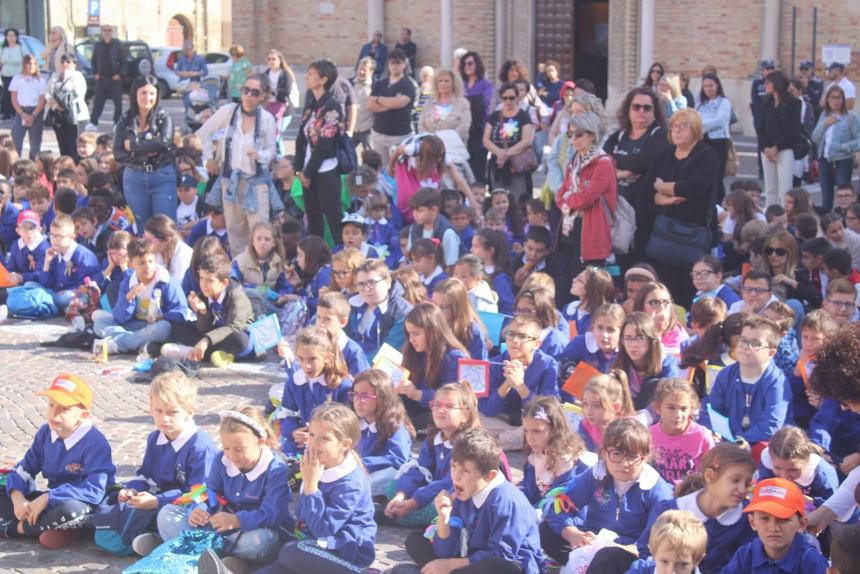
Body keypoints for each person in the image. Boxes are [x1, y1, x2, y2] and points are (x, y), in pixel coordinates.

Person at [92, 373, 218, 557]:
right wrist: (132, 490)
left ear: (189, 412)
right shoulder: (155, 438)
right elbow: (146, 475)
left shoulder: (200, 446)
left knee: (167, 516)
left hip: (191, 509)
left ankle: (168, 543)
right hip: (159, 500)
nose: (164, 419)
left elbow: (200, 493)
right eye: (158, 411)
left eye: (172, 412)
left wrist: (157, 501)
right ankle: (155, 539)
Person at [393, 429, 545, 574]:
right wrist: (443, 519)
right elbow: (445, 553)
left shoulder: (506, 501)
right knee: (415, 542)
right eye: (453, 467)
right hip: (470, 558)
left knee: (494, 566)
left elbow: (501, 555)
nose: (456, 477)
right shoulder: (463, 492)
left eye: (466, 471)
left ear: (490, 476)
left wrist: (450, 565)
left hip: (508, 565)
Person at [159, 406, 293, 570]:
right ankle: (226, 561)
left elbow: (273, 513)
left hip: (252, 531)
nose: (231, 455)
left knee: (262, 542)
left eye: (239, 449)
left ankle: (196, 553)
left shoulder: (275, 470)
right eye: (226, 448)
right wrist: (198, 509)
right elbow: (209, 492)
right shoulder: (222, 460)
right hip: (220, 528)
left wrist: (238, 521)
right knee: (167, 513)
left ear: (260, 442)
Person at [249, 404, 377, 574]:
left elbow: (324, 531)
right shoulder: (317, 466)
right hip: (311, 544)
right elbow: (303, 518)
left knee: (291, 552)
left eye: (324, 438)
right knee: (276, 565)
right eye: (312, 435)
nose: (314, 443)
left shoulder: (350, 484)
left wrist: (311, 488)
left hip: (343, 550)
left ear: (345, 444)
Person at [541, 418, 674, 570]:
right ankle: (581, 565)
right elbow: (560, 506)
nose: (624, 464)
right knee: (547, 530)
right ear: (604, 453)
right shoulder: (596, 475)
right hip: (594, 540)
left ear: (644, 457)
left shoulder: (656, 490)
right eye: (616, 453)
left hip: (629, 552)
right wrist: (574, 535)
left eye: (632, 457)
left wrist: (627, 547)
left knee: (607, 558)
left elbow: (655, 541)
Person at [0, 373, 115, 548]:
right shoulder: (46, 433)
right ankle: (52, 527)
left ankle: (17, 529)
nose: (54, 413)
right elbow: (25, 467)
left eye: (64, 408)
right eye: (51, 405)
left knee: (68, 511)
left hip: (82, 504)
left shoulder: (95, 442)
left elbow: (94, 490)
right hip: (51, 502)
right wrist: (18, 498)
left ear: (83, 415)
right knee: (5, 488)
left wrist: (48, 497)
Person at [643, 108, 720, 307]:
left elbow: (694, 188)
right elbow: (645, 189)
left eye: (683, 126)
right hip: (666, 234)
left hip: (694, 233)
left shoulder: (706, 155)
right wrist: (664, 199)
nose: (677, 131)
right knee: (666, 287)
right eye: (674, 126)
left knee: (690, 288)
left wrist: (662, 186)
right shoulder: (664, 156)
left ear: (695, 129)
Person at [642, 443, 756, 574]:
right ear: (709, 476)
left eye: (747, 483)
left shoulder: (747, 518)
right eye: (735, 480)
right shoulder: (668, 511)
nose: (742, 489)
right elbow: (647, 551)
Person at [198, 73, 277, 257]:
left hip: (256, 184)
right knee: (235, 233)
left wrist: (260, 155)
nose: (249, 95)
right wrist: (209, 158)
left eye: (254, 92)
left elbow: (272, 148)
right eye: (245, 90)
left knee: (260, 233)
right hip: (231, 183)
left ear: (262, 96)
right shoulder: (229, 111)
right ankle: (240, 277)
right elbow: (204, 132)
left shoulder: (266, 119)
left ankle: (261, 276)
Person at [384, 382, 479, 527]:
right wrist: (400, 496)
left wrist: (414, 502)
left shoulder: (468, 444)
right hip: (433, 490)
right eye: (437, 405)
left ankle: (404, 517)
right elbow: (421, 468)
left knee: (441, 505)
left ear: (465, 414)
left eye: (449, 406)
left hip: (459, 493)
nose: (441, 410)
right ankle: (401, 510)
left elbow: (451, 482)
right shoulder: (434, 437)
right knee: (393, 486)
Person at [704, 316, 788, 458]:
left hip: (762, 450)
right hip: (728, 444)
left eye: (754, 343)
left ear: (771, 353)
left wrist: (738, 440)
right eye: (743, 340)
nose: (744, 347)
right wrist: (718, 435)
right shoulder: (726, 374)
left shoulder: (777, 382)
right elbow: (712, 409)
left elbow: (771, 426)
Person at [603, 87, 670, 265]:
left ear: (655, 112)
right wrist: (623, 173)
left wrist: (617, 165)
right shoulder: (619, 136)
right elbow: (602, 163)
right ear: (628, 110)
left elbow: (644, 162)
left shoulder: (660, 135)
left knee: (644, 268)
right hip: (618, 214)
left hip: (645, 216)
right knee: (624, 267)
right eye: (636, 107)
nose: (641, 111)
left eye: (647, 108)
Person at [91, 238, 187, 355]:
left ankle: (119, 344)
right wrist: (128, 298)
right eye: (142, 263)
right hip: (135, 326)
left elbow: (181, 313)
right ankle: (134, 343)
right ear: (131, 264)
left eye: (151, 261)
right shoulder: (128, 283)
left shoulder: (166, 282)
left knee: (164, 328)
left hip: (154, 327)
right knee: (100, 323)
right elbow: (119, 318)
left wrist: (162, 317)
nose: (147, 266)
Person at [555, 111, 616, 285]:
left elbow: (587, 199)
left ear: (593, 135)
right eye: (570, 134)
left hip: (592, 231)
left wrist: (569, 198)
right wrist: (570, 198)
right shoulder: (573, 161)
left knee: (586, 288)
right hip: (570, 227)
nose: (573, 138)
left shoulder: (604, 163)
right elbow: (560, 194)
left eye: (579, 134)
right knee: (567, 283)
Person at [166, 252, 259, 366]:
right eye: (201, 278)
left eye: (210, 280)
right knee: (179, 327)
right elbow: (204, 330)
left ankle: (198, 352)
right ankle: (215, 354)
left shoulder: (237, 296)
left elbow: (232, 327)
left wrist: (206, 341)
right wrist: (203, 312)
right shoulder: (204, 294)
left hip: (235, 335)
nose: (204, 284)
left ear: (224, 282)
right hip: (215, 336)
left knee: (240, 340)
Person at [721, 478, 828, 574]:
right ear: (752, 522)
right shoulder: (745, 555)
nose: (773, 527)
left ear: (801, 524)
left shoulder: (810, 560)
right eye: (765, 518)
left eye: (784, 519)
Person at [275, 326, 352, 455]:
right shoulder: (295, 381)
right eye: (301, 359)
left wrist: (315, 437)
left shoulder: (341, 385)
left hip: (330, 445)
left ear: (327, 357)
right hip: (301, 442)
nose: (306, 365)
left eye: (312, 359)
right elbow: (286, 414)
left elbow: (346, 425)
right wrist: (294, 431)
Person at [113, 75, 176, 229]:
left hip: (161, 175)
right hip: (134, 177)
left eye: (152, 93)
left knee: (165, 228)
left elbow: (164, 143)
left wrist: (134, 147)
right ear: (135, 93)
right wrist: (148, 148)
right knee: (143, 228)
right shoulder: (126, 119)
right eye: (143, 93)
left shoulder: (164, 117)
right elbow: (118, 152)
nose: (148, 97)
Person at [294, 59, 346, 243]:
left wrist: (308, 172)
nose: (306, 77)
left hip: (325, 170)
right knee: (313, 219)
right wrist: (299, 170)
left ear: (323, 79)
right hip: (308, 171)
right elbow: (301, 139)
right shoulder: (311, 105)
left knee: (333, 217)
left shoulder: (332, 106)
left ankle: (344, 257)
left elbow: (325, 143)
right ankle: (314, 260)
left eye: (311, 74)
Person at [519, 396, 594, 505]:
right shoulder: (536, 453)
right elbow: (530, 488)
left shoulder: (565, 460)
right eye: (526, 431)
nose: (530, 438)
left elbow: (557, 500)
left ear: (554, 429)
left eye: (537, 431)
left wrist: (530, 512)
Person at [351, 368, 414, 495]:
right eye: (355, 394)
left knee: (390, 474)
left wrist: (362, 463)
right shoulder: (354, 423)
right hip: (360, 473)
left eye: (364, 396)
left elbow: (398, 458)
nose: (358, 400)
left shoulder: (395, 426)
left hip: (383, 476)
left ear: (382, 398)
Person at [648, 378, 714, 485]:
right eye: (671, 408)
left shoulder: (702, 435)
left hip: (691, 493)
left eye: (683, 409)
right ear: (658, 408)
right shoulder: (649, 435)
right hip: (659, 494)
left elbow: (712, 470)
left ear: (691, 409)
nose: (678, 415)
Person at [347, 258, 413, 361]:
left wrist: (357, 365)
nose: (366, 289)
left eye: (371, 282)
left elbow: (389, 352)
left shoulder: (402, 312)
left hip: (377, 370)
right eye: (361, 284)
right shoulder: (350, 304)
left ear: (388, 282)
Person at [759, 426, 839, 507]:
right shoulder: (769, 461)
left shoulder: (823, 475)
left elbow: (833, 509)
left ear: (807, 461)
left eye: (793, 470)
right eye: (777, 468)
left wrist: (809, 501)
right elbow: (761, 490)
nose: (784, 476)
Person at [755, 70, 803, 207]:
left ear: (777, 84)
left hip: (784, 148)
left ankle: (785, 218)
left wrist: (777, 147)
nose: (765, 85)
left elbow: (794, 129)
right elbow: (759, 126)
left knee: (785, 188)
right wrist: (766, 148)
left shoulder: (793, 103)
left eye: (768, 82)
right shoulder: (764, 101)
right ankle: (771, 219)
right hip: (766, 150)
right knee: (770, 188)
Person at [483, 82, 535, 203]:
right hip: (498, 164)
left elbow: (526, 140)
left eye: (511, 98)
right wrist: (499, 153)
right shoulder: (494, 116)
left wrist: (506, 154)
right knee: (498, 198)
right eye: (505, 98)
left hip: (517, 163)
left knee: (517, 198)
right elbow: (486, 139)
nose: (508, 101)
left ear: (517, 97)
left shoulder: (523, 115)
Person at [811, 85, 860, 211]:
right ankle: (826, 222)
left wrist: (843, 147)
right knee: (826, 196)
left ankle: (846, 221)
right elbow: (814, 138)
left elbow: (858, 139)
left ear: (843, 100)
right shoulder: (824, 115)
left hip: (842, 161)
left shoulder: (851, 117)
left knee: (843, 195)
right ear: (827, 100)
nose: (836, 101)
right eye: (832, 98)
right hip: (824, 159)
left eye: (839, 98)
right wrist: (824, 124)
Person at [368, 48, 416, 167]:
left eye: (398, 62)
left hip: (399, 135)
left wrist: (379, 99)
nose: (395, 66)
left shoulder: (408, 84)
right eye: (392, 63)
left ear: (404, 64)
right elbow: (370, 105)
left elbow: (400, 103)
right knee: (382, 169)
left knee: (399, 169)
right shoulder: (380, 84)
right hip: (379, 133)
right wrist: (391, 104)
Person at [625, 510, 709, 574]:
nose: (670, 571)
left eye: (682, 564)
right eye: (664, 561)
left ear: (698, 559)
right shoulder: (640, 570)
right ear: (653, 553)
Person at [45, 53, 89, 160]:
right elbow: (47, 93)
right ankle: (64, 165)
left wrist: (66, 76)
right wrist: (55, 105)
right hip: (58, 114)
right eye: (63, 61)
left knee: (74, 145)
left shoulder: (77, 76)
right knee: (62, 144)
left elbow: (78, 94)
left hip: (74, 115)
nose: (65, 64)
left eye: (68, 61)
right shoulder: (55, 75)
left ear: (74, 64)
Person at [697, 73, 732, 203]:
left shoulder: (724, 101)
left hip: (718, 142)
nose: (708, 89)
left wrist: (702, 125)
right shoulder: (701, 104)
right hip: (702, 141)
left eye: (711, 85)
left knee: (717, 176)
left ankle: (718, 204)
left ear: (717, 85)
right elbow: (695, 118)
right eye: (705, 86)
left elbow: (720, 120)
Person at [460, 51, 494, 184]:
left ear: (477, 64)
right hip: (463, 132)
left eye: (470, 63)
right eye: (464, 64)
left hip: (479, 131)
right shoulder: (460, 83)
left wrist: (464, 100)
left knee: (477, 171)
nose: (466, 66)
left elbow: (482, 103)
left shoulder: (486, 84)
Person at [85, 25, 126, 130]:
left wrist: (120, 74)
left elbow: (124, 62)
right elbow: (93, 60)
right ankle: (93, 122)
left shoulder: (118, 45)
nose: (107, 32)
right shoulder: (98, 45)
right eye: (104, 30)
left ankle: (117, 122)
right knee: (98, 102)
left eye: (109, 30)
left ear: (112, 32)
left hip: (114, 79)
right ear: (102, 32)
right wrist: (95, 73)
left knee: (118, 103)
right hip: (101, 79)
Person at [417, 68, 472, 146]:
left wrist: (441, 142)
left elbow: (463, 129)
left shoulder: (463, 104)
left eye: (446, 81)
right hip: (430, 150)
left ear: (454, 83)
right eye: (440, 81)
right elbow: (421, 125)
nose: (443, 84)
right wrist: (429, 141)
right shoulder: (429, 102)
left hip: (453, 150)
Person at [8, 54, 47, 161]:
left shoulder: (40, 80)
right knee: (16, 138)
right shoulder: (17, 78)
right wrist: (22, 113)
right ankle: (15, 165)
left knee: (35, 142)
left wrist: (33, 115)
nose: (31, 66)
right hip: (21, 111)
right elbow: (13, 98)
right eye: (29, 63)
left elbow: (42, 100)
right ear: (24, 64)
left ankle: (34, 165)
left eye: (34, 64)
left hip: (36, 112)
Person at [264, 49, 299, 157]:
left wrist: (274, 92)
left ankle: (280, 157)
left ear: (280, 60)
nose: (271, 61)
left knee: (277, 133)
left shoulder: (285, 74)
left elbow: (286, 91)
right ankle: (275, 156)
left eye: (274, 59)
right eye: (269, 59)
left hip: (283, 109)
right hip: (269, 107)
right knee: (271, 134)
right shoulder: (266, 74)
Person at [352, 57, 377, 151]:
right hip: (352, 128)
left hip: (367, 129)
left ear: (371, 71)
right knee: (346, 155)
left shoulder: (375, 86)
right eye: (360, 68)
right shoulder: (350, 83)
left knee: (370, 156)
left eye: (364, 70)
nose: (361, 72)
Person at [0, 28, 24, 120]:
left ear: (16, 37)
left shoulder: (20, 48)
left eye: (12, 35)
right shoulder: (3, 49)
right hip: (6, 74)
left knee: (17, 94)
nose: (10, 37)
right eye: (8, 35)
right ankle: (7, 113)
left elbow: (27, 59)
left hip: (18, 75)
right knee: (6, 93)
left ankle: (17, 111)